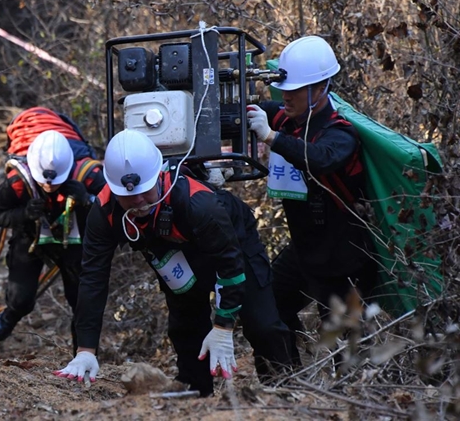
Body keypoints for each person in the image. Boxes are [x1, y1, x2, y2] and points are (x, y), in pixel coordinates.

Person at [54, 129, 298, 396]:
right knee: (185, 321)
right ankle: (195, 390)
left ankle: (282, 387)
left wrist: (223, 325)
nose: (137, 201)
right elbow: (92, 278)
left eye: (145, 192)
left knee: (262, 323)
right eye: (127, 196)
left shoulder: (199, 203)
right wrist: (86, 349)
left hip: (233, 242)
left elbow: (230, 267)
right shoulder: (104, 213)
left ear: (158, 177)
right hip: (171, 250)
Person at [245, 36, 377, 338]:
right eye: (284, 91)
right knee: (269, 306)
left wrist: (272, 138)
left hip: (346, 259)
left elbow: (321, 158)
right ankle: (286, 377)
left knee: (346, 346)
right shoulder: (285, 117)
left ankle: (344, 385)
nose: (285, 98)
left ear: (320, 90)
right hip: (306, 250)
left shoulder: (340, 133)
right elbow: (245, 113)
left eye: (294, 92)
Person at [0, 130, 105, 348]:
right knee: (20, 299)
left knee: (81, 302)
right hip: (30, 240)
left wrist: (87, 200)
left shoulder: (89, 176)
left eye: (55, 181)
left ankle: (82, 354)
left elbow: (117, 209)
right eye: (45, 181)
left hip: (75, 245)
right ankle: (12, 314)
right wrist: (23, 214)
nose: (49, 186)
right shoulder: (19, 181)